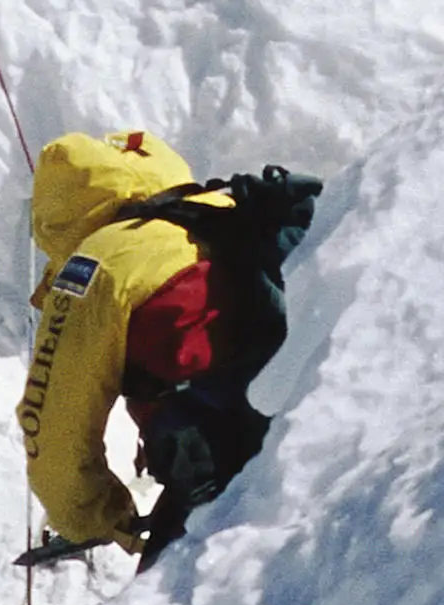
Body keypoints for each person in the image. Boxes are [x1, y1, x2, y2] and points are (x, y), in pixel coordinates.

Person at [17, 128, 322, 559]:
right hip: (307, 419)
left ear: (57, 215)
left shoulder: (98, 262)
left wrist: (98, 517)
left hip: (219, 462)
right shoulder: (220, 206)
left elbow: (54, 423)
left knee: (168, 599)